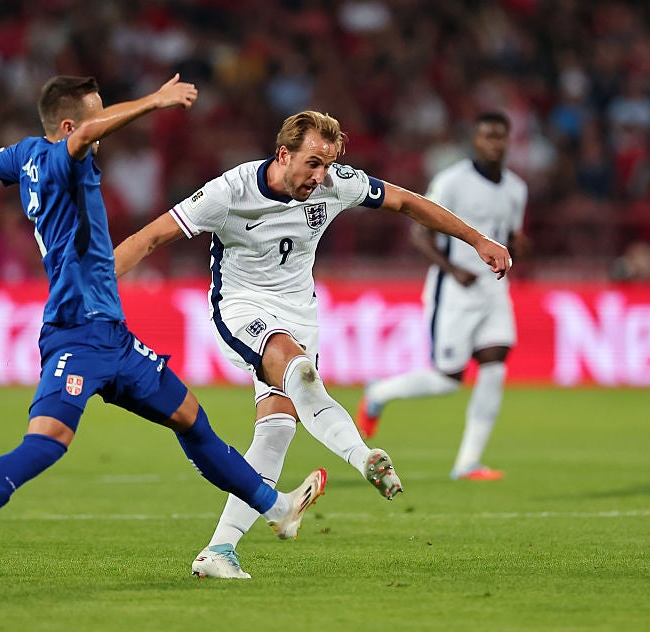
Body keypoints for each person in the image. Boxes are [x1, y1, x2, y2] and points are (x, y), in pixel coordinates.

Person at [0, 75, 326, 592]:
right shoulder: (59, 158)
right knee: (46, 443)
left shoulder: (24, 154)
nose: (103, 127)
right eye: (96, 118)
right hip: (79, 332)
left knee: (190, 417)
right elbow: (80, 135)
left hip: (112, 336)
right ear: (71, 126)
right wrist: (155, 102)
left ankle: (277, 508)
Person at [113, 110, 513, 578]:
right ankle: (362, 456)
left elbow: (405, 202)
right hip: (242, 308)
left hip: (301, 310)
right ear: (283, 154)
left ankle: (219, 551)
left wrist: (476, 240)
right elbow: (151, 236)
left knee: (278, 428)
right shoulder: (229, 191)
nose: (321, 175)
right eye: (313, 163)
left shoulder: (333, 183)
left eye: (328, 164)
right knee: (299, 371)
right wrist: (91, 285)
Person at [355, 112, 528, 481]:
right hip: (454, 290)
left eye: (500, 136)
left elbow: (510, 236)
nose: (495, 143)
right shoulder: (452, 182)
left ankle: (467, 463)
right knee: (448, 378)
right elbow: (419, 234)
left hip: (494, 289)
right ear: (474, 141)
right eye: (487, 136)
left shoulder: (517, 189)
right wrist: (453, 271)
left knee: (495, 364)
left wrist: (514, 253)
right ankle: (379, 393)